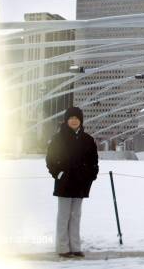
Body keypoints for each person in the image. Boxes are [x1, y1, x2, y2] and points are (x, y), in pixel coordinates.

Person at [45, 106, 99, 258]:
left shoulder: (87, 139)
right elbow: (50, 159)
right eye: (71, 118)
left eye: (76, 118)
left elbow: (93, 160)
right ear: (66, 120)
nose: (74, 121)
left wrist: (91, 176)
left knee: (76, 215)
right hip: (65, 182)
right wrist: (59, 173)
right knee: (64, 215)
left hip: (81, 182)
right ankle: (63, 247)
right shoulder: (58, 138)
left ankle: (75, 246)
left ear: (80, 121)